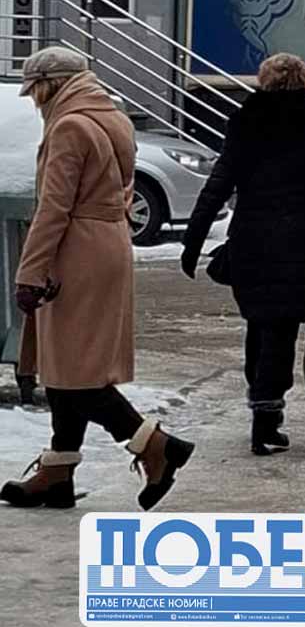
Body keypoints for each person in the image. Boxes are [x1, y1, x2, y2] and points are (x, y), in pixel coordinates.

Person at [3, 47, 194, 510]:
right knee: (67, 364)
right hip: (107, 242)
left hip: (75, 249)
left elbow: (54, 207)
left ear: (49, 85)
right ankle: (58, 471)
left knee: (78, 373)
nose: (34, 101)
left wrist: (30, 271)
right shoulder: (113, 118)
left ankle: (154, 444)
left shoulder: (69, 126)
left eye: (35, 91)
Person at [180, 53, 305, 456]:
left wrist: (193, 239)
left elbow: (218, 184)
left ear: (264, 82)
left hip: (250, 241)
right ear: (304, 84)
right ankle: (267, 416)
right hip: (297, 244)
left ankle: (262, 408)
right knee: (281, 331)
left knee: (258, 325)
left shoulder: (246, 123)